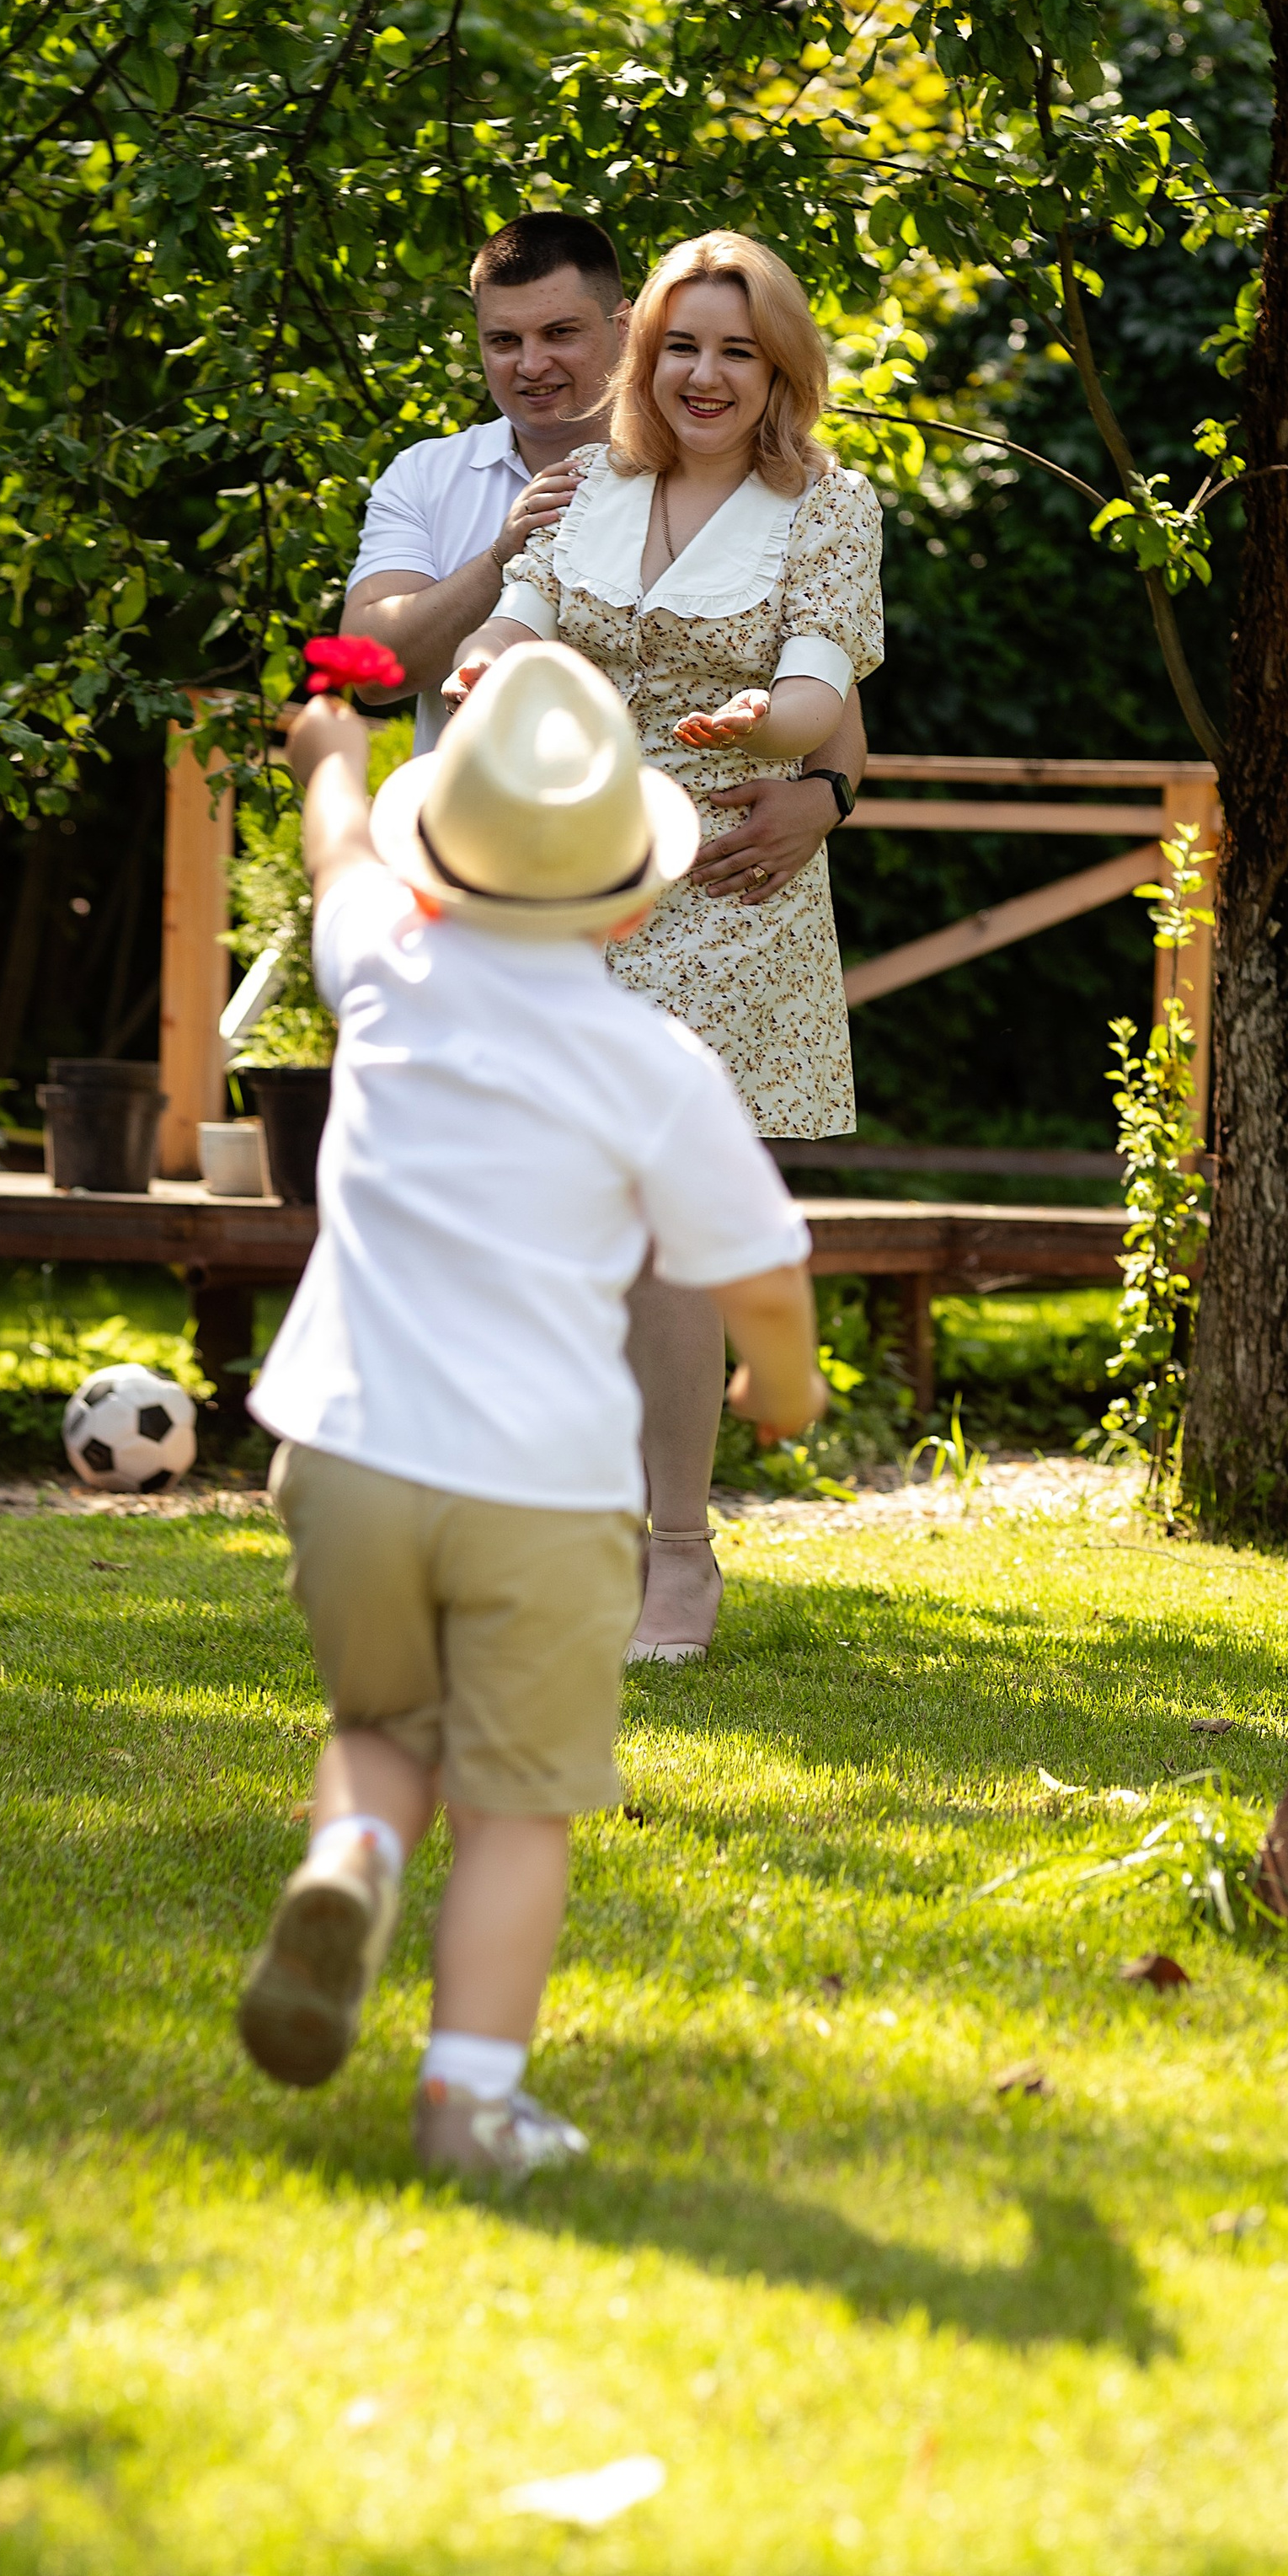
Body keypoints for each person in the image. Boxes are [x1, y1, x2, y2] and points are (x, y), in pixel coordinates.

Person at [238, 642, 825, 2182]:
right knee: (517, 1804)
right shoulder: (653, 1061)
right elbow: (759, 1271)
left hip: (345, 1454)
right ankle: (469, 2104)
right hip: (543, 1494)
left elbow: (336, 851)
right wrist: (789, 1383)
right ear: (634, 900)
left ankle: (353, 1856)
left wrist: (334, 757)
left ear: (440, 867)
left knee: (383, 1727)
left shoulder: (384, 966)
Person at [446, 230, 884, 1663]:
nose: (706, 374)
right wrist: (483, 667)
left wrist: (764, 729)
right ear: (651, 357)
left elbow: (823, 691)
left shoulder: (827, 503)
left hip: (724, 877)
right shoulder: (588, 487)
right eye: (684, 345)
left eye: (738, 350)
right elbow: (518, 628)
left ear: (780, 370)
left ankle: (677, 1555)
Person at [343, 207, 863, 902]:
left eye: (560, 333)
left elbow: (822, 677)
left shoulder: (795, 500)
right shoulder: (427, 475)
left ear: (624, 331)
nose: (531, 364)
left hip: (710, 889)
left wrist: (827, 795)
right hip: (492, 874)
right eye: (503, 339)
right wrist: (503, 555)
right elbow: (372, 670)